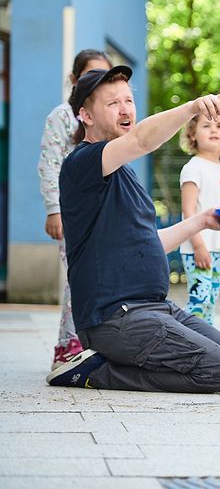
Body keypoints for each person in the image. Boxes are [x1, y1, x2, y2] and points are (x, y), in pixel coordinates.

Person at [46, 65, 220, 393]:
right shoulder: (82, 163)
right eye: (113, 103)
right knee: (217, 368)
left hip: (155, 307)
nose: (125, 109)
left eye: (128, 99)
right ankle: (93, 371)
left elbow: (146, 243)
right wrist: (192, 108)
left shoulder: (123, 173)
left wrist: (202, 220)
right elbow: (141, 139)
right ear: (85, 114)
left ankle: (121, 361)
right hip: (113, 317)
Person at [38, 49, 112, 369]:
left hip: (105, 212)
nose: (96, 82)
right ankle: (67, 347)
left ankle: (95, 344)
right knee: (77, 279)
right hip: (74, 213)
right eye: (89, 75)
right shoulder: (61, 116)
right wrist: (54, 210)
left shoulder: (110, 114)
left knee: (103, 279)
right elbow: (49, 164)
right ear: (74, 79)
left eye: (104, 76)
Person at [179, 110, 220, 325]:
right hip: (198, 248)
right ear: (192, 135)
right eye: (206, 126)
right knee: (199, 300)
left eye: (219, 126)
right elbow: (189, 212)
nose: (213, 129)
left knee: (210, 303)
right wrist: (198, 246)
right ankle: (185, 343)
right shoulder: (192, 168)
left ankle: (206, 350)